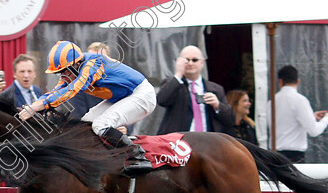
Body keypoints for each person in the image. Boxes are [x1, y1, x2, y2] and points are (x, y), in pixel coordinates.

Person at [18, 41, 156, 177]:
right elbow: (57, 90)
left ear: (77, 64)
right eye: (59, 72)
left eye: (65, 71)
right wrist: (35, 106)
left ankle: (138, 156)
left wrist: (39, 106)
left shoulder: (92, 65)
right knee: (85, 124)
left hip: (142, 95)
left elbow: (74, 88)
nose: (63, 76)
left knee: (100, 125)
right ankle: (101, 160)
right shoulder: (72, 69)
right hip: (124, 96)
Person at [156, 45, 234, 135]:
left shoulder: (216, 89)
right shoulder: (174, 83)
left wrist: (218, 105)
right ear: (179, 62)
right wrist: (178, 74)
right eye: (186, 60)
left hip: (207, 141)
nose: (190, 63)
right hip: (179, 142)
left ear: (202, 62)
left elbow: (230, 120)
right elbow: (162, 100)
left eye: (194, 60)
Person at [268, 65, 328, 163]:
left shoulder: (271, 102)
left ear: (280, 82)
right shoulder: (299, 100)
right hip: (294, 156)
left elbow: (282, 121)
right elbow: (314, 130)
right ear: (298, 81)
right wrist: (327, 119)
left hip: (274, 155)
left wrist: (311, 116)